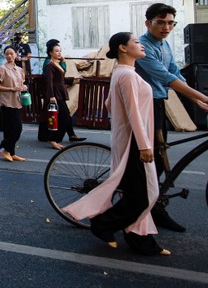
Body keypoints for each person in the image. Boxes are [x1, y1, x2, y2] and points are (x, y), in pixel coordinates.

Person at [63, 32, 170, 256]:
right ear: (123, 48)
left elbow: (110, 104)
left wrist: (122, 126)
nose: (142, 46)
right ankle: (104, 223)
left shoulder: (122, 73)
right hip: (134, 141)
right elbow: (133, 113)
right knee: (144, 193)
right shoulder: (127, 76)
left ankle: (139, 238)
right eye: (137, 43)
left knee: (139, 192)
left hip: (129, 137)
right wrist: (143, 145)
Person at [134, 3, 208, 233]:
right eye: (161, 22)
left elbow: (175, 72)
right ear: (148, 23)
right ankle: (143, 210)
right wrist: (201, 96)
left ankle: (155, 207)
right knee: (150, 159)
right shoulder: (142, 46)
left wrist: (197, 100)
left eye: (170, 23)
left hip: (157, 102)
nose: (167, 27)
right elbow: (165, 77)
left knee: (159, 154)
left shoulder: (164, 44)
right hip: (143, 105)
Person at [37, 40, 84, 150]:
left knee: (65, 117)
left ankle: (55, 139)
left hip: (60, 93)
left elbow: (62, 77)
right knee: (65, 118)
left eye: (60, 51)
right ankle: (53, 139)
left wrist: (74, 79)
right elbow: (49, 82)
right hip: (55, 94)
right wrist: (51, 96)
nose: (59, 53)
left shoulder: (57, 64)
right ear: (50, 53)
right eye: (56, 51)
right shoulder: (50, 65)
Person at [0, 46, 27, 162]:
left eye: (11, 53)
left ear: (16, 54)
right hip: (7, 102)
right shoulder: (2, 69)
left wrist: (24, 87)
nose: (9, 56)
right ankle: (7, 150)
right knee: (11, 128)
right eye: (7, 54)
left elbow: (22, 84)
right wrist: (11, 89)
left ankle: (11, 152)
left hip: (17, 101)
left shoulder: (20, 70)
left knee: (17, 128)